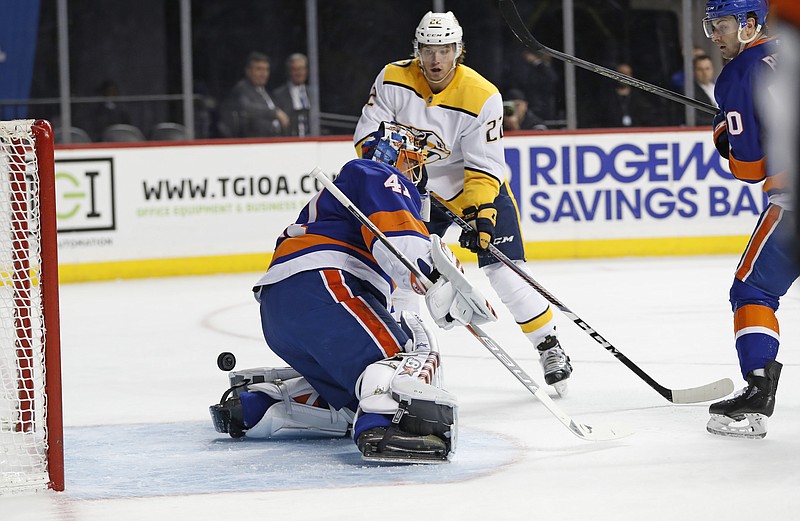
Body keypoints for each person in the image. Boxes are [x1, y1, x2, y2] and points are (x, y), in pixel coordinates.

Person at [209, 122, 496, 462]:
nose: (419, 169)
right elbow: (399, 242)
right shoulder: (377, 172)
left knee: (353, 393)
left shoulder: (352, 187)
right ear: (394, 153)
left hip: (282, 308)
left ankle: (262, 405)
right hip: (325, 287)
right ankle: (386, 424)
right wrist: (440, 281)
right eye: (415, 158)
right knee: (405, 355)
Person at [354, 11, 573, 394]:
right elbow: (367, 138)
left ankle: (549, 346)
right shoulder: (392, 78)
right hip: (416, 193)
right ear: (416, 51)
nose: (436, 60)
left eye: (445, 49)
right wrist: (390, 162)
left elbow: (482, 165)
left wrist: (482, 216)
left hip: (474, 192)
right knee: (405, 272)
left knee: (504, 273)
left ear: (459, 50)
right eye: (428, 50)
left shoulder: (482, 95)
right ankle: (408, 355)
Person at [702, 0, 798, 439]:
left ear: (750, 24)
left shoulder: (738, 74)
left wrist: (725, 137)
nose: (715, 34)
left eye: (722, 24)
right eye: (712, 25)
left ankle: (758, 390)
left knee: (753, 288)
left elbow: (750, 168)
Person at [219, 52, 289, 138]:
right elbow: (246, 108)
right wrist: (274, 113)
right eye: (259, 69)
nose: (263, 74)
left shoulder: (268, 93)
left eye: (266, 69)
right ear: (248, 71)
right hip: (254, 143)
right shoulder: (242, 89)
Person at [593, 63, 658, 128]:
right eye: (622, 74)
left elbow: (647, 117)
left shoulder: (639, 97)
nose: (625, 77)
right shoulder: (607, 97)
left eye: (627, 74)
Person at [272, 53, 312, 137]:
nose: (299, 73)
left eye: (301, 69)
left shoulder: (313, 93)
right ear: (289, 71)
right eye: (295, 69)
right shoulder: (278, 94)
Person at [689, 54, 718, 126]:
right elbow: (696, 119)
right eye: (700, 69)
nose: (704, 73)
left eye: (707, 69)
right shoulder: (690, 92)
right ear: (694, 71)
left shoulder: (718, 87)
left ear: (712, 69)